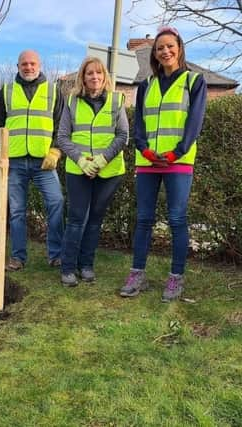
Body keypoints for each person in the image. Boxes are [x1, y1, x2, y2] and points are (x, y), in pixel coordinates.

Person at [119, 26, 207, 302]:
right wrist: (144, 149)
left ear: (179, 49)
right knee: (144, 219)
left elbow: (194, 123)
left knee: (177, 219)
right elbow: (140, 124)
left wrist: (175, 153)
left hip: (178, 162)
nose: (165, 51)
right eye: (160, 48)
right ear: (154, 55)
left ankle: (175, 278)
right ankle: (137, 274)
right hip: (147, 162)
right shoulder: (146, 85)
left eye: (170, 46)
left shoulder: (194, 81)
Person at [0, 49, 65, 271]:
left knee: (57, 202)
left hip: (44, 162)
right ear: (18, 66)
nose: (28, 67)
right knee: (16, 211)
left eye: (32, 63)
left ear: (39, 65)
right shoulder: (6, 91)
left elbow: (62, 124)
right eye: (24, 64)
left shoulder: (53, 91)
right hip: (14, 162)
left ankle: (56, 254)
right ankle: (18, 257)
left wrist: (56, 151)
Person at [56, 57, 128, 287]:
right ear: (83, 77)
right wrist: (81, 160)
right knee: (77, 218)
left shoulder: (117, 101)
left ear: (104, 76)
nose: (94, 77)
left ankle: (86, 265)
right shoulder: (72, 102)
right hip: (78, 169)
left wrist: (102, 159)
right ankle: (68, 268)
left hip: (108, 170)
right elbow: (63, 137)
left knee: (95, 219)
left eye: (98, 73)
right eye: (90, 73)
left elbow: (122, 135)